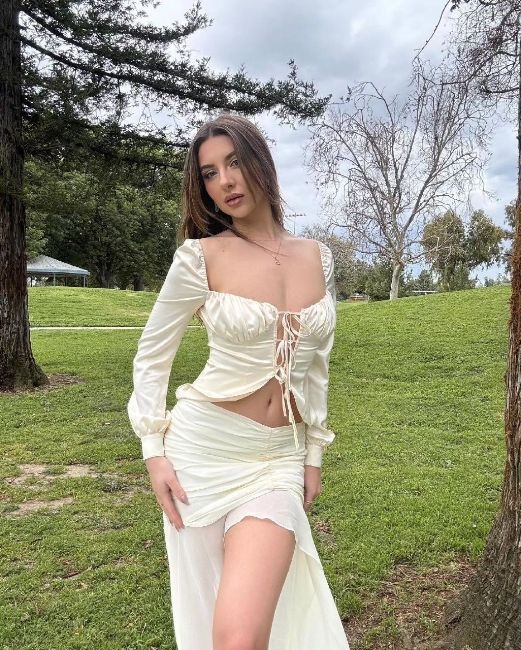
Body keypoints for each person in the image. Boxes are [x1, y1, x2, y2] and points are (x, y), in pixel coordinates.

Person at [127, 113, 350, 650]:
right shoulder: (200, 257)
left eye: (234, 163)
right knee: (216, 630)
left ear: (260, 162)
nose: (225, 181)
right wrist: (153, 451)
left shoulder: (318, 256)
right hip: (201, 454)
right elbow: (153, 355)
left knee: (240, 636)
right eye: (209, 173)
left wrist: (313, 455)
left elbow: (316, 365)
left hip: (278, 459)